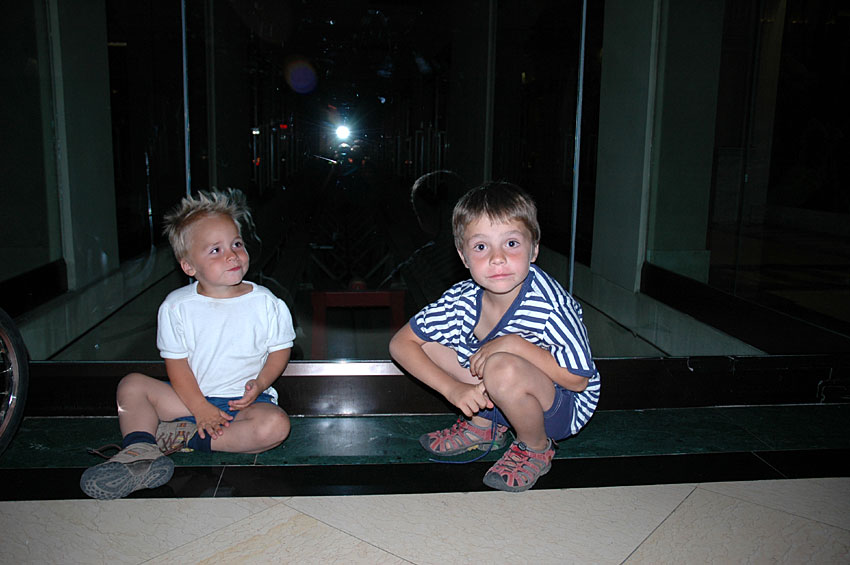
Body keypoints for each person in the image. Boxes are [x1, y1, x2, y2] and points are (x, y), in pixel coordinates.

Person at [80, 189, 296, 500]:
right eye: (216, 250)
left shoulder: (267, 303)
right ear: (189, 267)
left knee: (275, 426)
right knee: (132, 385)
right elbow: (177, 366)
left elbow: (279, 351)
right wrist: (199, 407)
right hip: (187, 399)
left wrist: (260, 384)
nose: (232, 255)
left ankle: (179, 438)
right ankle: (139, 448)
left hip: (242, 405)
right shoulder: (176, 306)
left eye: (236, 244)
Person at [389, 181, 600, 492]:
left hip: (558, 407)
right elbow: (400, 343)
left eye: (511, 243)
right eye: (481, 247)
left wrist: (515, 344)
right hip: (499, 390)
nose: (497, 258)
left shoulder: (550, 306)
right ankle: (484, 425)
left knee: (502, 364)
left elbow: (578, 380)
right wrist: (454, 390)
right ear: (463, 257)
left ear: (534, 249)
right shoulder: (462, 299)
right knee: (430, 344)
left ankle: (535, 447)